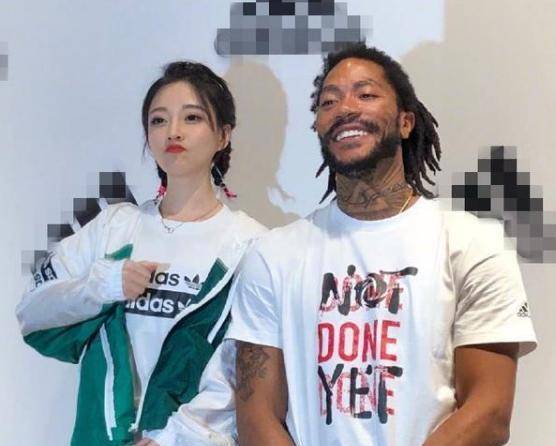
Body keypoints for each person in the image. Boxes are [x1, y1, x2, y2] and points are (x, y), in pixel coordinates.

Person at [227, 43, 537, 446]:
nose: (345, 108)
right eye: (328, 102)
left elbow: (489, 413)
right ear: (318, 127)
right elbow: (256, 419)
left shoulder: (473, 245)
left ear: (406, 122)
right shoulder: (273, 256)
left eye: (366, 94)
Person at [16, 61, 265, 446]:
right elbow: (33, 313)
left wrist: (175, 436)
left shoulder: (248, 244)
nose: (174, 132)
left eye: (192, 117)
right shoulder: (115, 228)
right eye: (159, 120)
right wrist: (103, 285)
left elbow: (245, 367)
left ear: (223, 135)